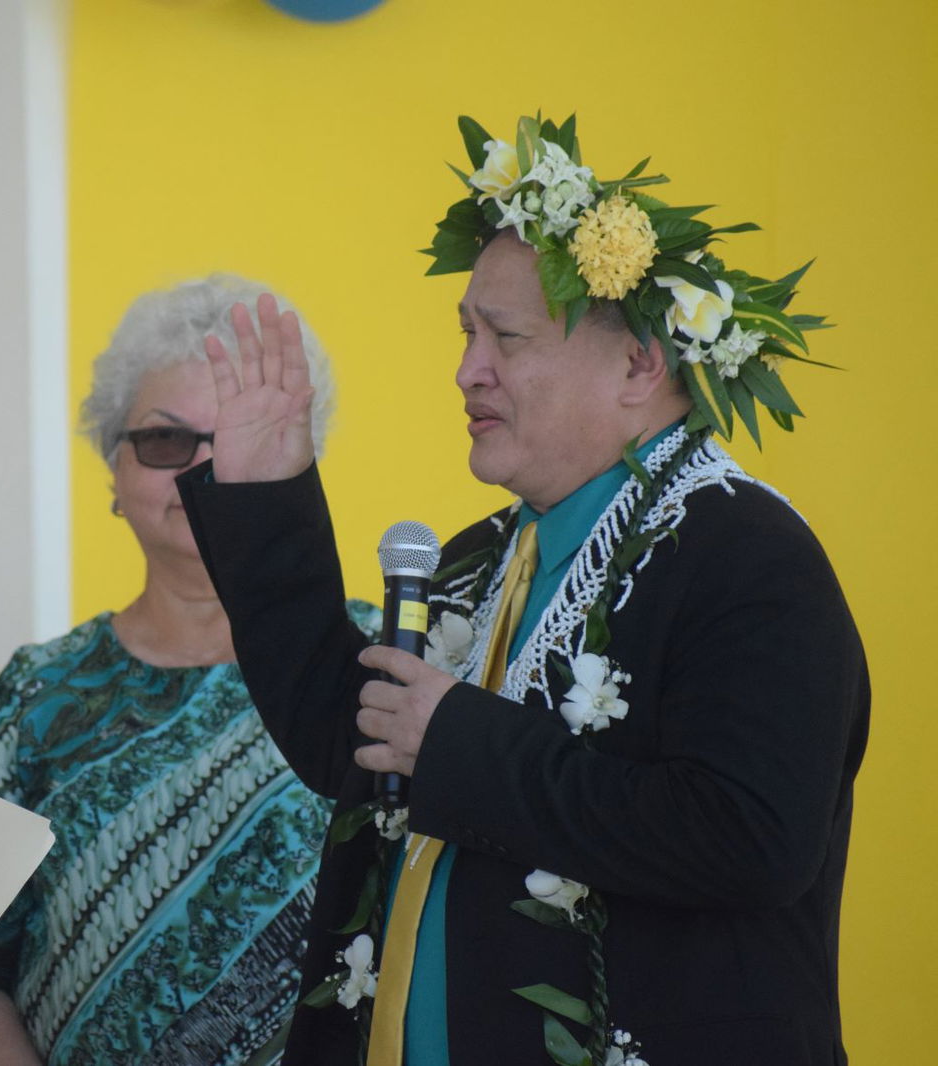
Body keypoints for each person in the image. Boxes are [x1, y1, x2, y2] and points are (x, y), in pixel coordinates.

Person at [177, 115, 868, 1065]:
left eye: (503, 335)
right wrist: (264, 497)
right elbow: (359, 744)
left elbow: (751, 839)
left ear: (639, 363)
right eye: (465, 332)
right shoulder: (479, 555)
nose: (466, 371)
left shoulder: (748, 556)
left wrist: (456, 739)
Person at [0, 276, 376, 1065]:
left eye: (232, 436)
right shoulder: (38, 693)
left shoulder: (380, 665)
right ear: (114, 478)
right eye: (166, 442)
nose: (200, 470)